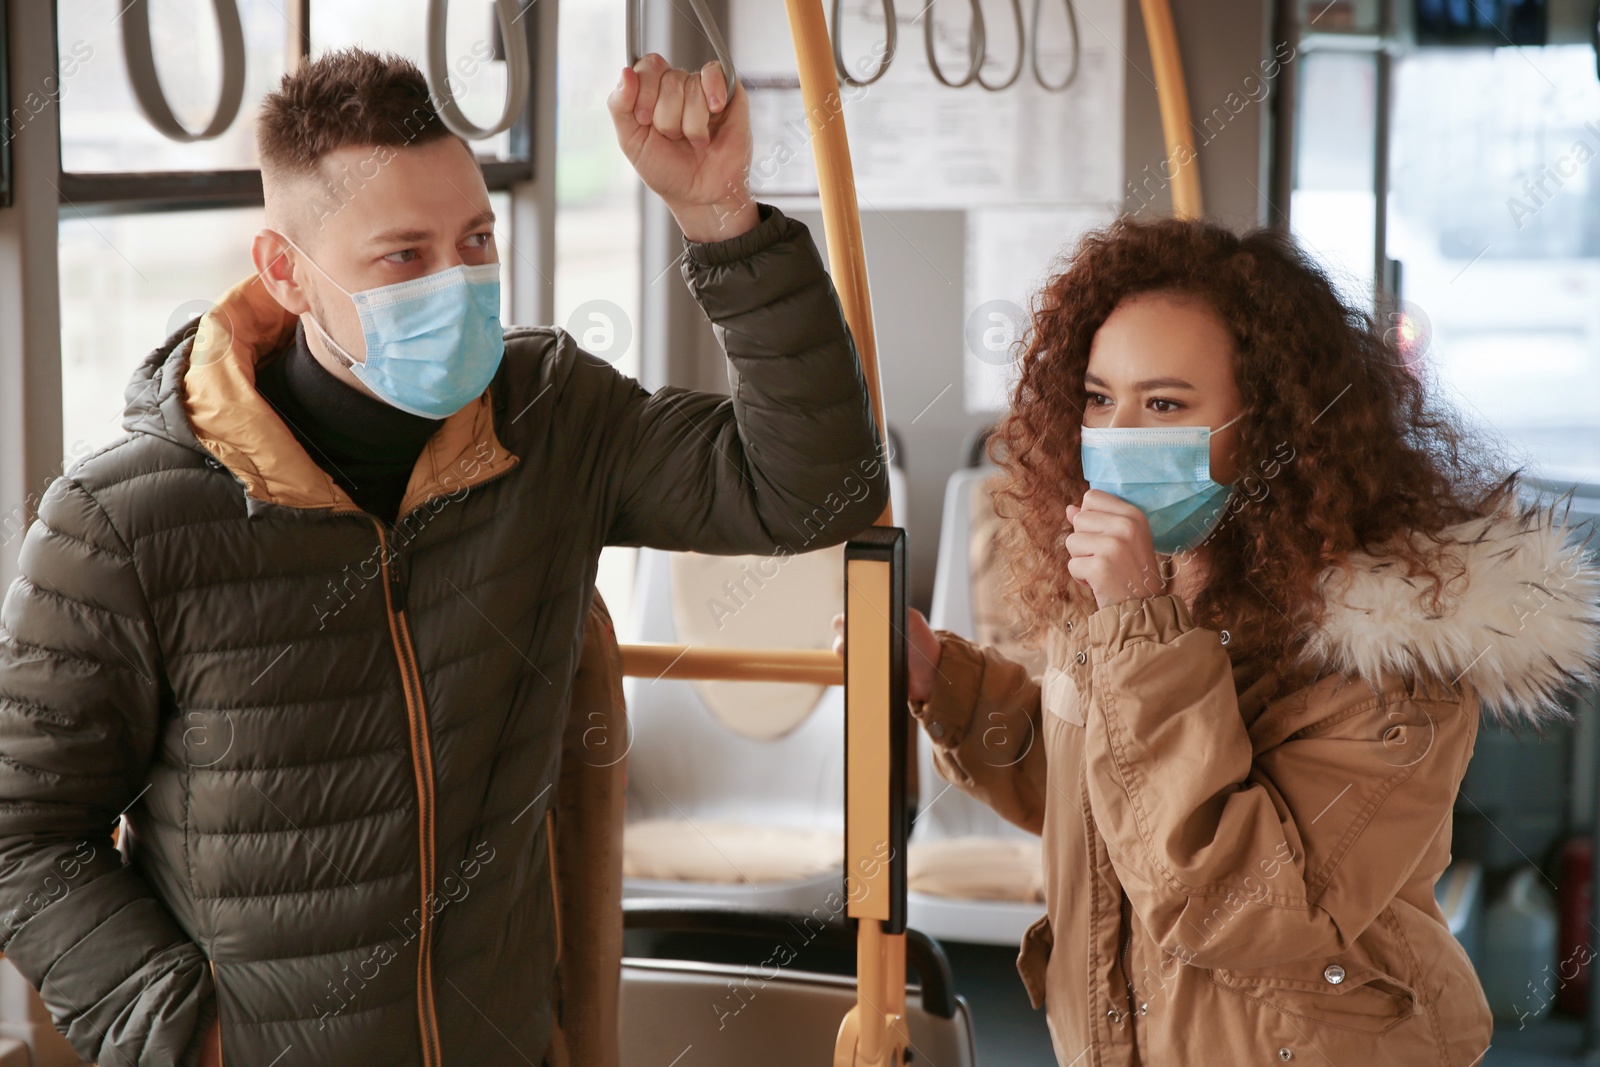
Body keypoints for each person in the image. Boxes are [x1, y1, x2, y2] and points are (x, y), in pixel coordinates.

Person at [0, 47, 889, 1067]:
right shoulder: (120, 523)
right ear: (286, 271)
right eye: (405, 256)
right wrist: (182, 1030)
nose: (459, 281)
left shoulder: (547, 416)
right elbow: (19, 830)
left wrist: (721, 217)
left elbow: (815, 485)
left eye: (476, 239)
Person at [839, 215, 1600, 1065]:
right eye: (1099, 397)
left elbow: (1239, 902)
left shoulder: (1390, 652)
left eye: (1163, 403)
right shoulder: (1156, 584)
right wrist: (943, 681)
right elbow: (1101, 785)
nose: (1118, 435)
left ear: (1271, 425)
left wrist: (1135, 629)